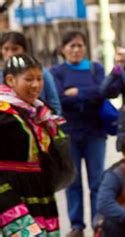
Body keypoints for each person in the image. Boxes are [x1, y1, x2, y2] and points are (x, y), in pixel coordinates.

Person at [50, 31, 107, 237]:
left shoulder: (95, 68)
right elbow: (58, 98)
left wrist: (77, 93)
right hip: (69, 135)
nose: (76, 50)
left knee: (97, 181)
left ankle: (97, 223)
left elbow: (102, 91)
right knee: (72, 182)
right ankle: (77, 226)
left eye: (80, 45)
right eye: (71, 45)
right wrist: (87, 94)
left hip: (95, 133)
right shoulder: (56, 72)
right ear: (63, 49)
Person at [0, 54, 64, 235]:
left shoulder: (38, 111)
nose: (35, 85)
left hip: (37, 189)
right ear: (10, 80)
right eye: (28, 79)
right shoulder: (3, 112)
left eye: (39, 79)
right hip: (9, 193)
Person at [0, 31, 62, 114]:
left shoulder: (42, 73)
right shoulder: (7, 117)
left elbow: (54, 103)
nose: (10, 53)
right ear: (10, 80)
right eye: (6, 49)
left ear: (24, 50)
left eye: (15, 49)